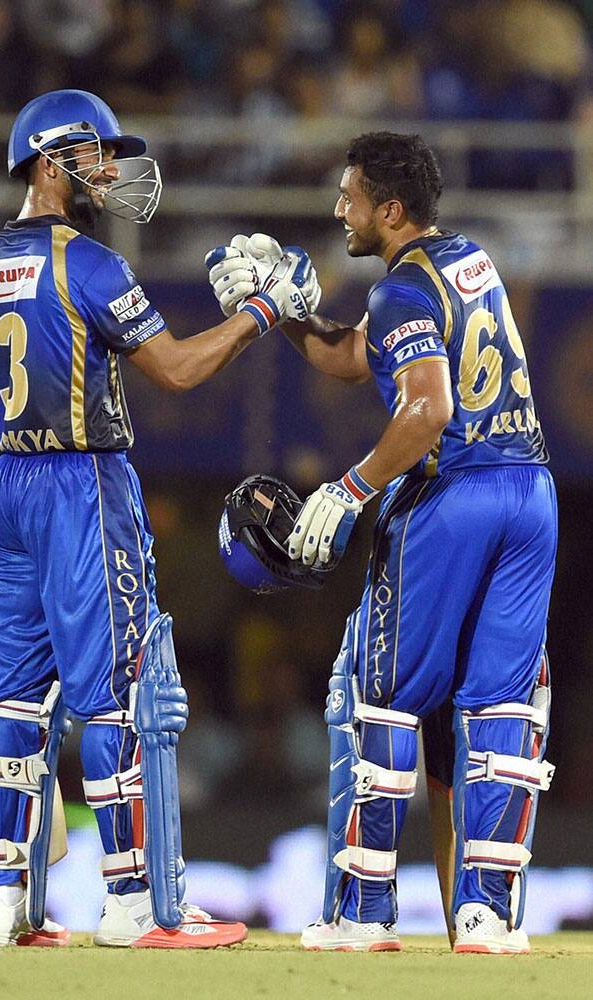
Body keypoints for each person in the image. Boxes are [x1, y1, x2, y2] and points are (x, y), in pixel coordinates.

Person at [0, 88, 317, 948]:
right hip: (82, 487)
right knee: (118, 696)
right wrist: (262, 313)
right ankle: (132, 904)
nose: (107, 169)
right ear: (52, 161)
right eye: (93, 153)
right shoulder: (89, 264)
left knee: (9, 701)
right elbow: (173, 371)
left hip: (9, 491)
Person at [208, 132, 557, 954]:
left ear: (389, 209)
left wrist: (352, 485)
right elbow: (362, 357)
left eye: (350, 197)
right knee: (500, 707)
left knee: (377, 697)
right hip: (530, 492)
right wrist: (287, 318)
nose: (340, 209)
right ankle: (486, 917)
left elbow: (428, 409)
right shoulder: (468, 259)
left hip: (453, 493)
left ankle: (363, 915)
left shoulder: (402, 289)